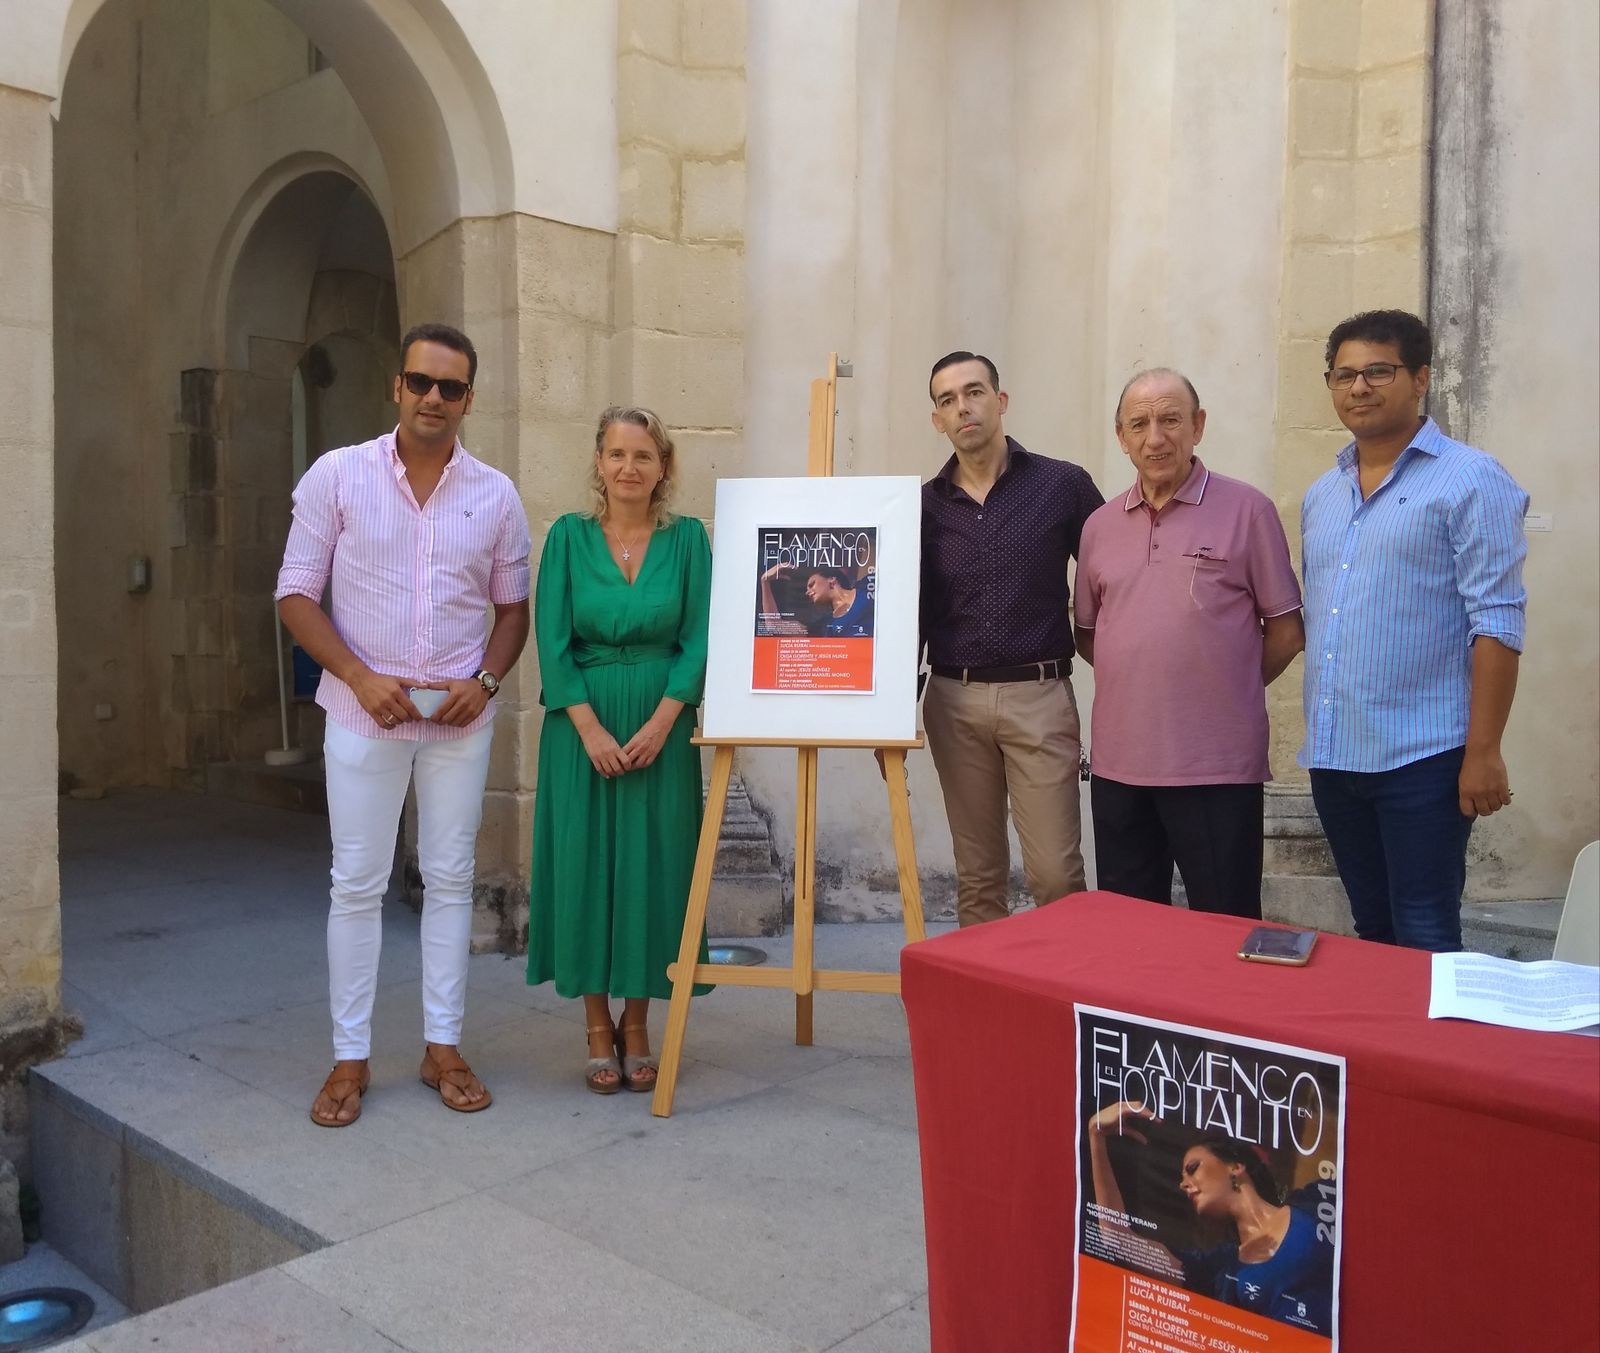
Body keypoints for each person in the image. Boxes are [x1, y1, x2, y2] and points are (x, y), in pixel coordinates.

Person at [276, 322, 532, 1126]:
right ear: (397, 386)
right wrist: (355, 674)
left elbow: (512, 609)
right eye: (420, 381)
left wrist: (486, 682)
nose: (432, 397)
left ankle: (442, 1045)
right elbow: (294, 594)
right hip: (362, 713)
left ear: (468, 399)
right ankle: (350, 1058)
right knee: (355, 885)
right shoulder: (339, 476)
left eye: (449, 387)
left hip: (458, 720)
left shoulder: (495, 493)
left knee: (451, 879)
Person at [1301, 310, 1528, 951]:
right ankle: (1384, 1055)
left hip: (1425, 759)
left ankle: (1435, 1054)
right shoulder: (1324, 493)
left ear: (1421, 377)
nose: (1359, 387)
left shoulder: (1470, 479)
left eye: (1379, 370)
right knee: (1372, 931)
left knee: (1426, 930)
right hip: (1336, 758)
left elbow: (1497, 621)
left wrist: (1482, 752)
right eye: (1344, 374)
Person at [525, 406, 712, 1094]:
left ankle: (639, 1024)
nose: (628, 467)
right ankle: (596, 1024)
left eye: (642, 455)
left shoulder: (689, 540)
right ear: (598, 464)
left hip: (660, 728)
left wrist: (667, 719)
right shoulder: (568, 540)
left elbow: (701, 636)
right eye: (616, 454)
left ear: (663, 467)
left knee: (653, 870)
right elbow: (552, 640)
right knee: (585, 869)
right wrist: (590, 727)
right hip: (582, 732)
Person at [1074, 370, 1304, 918]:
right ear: (1122, 437)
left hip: (1216, 767)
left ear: (1198, 426)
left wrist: (1224, 683)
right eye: (1140, 423)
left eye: (1171, 419)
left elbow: (1287, 632)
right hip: (1119, 769)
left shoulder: (1248, 511)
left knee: (1223, 926)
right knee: (1130, 933)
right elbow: (1089, 632)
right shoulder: (1099, 526)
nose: (1156, 437)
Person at [920, 351, 1104, 927]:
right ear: (938, 420)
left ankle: (1062, 1006)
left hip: (1040, 696)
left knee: (1055, 875)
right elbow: (912, 611)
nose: (962, 407)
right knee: (978, 877)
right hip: (955, 699)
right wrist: (889, 711)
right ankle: (986, 1011)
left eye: (973, 392)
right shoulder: (922, 506)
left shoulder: (1063, 484)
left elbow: (1110, 573)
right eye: (947, 399)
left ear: (1000, 401)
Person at [1086, 1101, 1334, 1337]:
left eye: (1193, 1168)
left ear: (1236, 1167)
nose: (1183, 1184)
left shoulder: (1313, 1200)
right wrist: (1096, 1135)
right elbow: (1118, 1241)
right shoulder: (1219, 1268)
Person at [760, 563, 875, 637]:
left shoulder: (866, 585)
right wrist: (764, 581)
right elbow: (774, 625)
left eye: (812, 584)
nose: (807, 592)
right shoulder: (824, 626)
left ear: (831, 579)